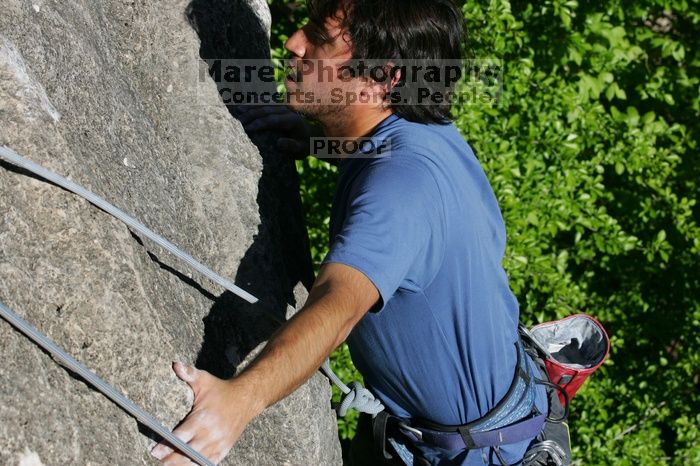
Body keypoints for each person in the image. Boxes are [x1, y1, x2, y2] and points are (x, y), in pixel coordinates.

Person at [151, 0, 548, 464]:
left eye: (318, 38)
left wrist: (238, 402)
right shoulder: (424, 135)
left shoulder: (404, 184)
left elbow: (338, 303)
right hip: (483, 423)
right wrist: (324, 141)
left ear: (385, 76)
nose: (294, 43)